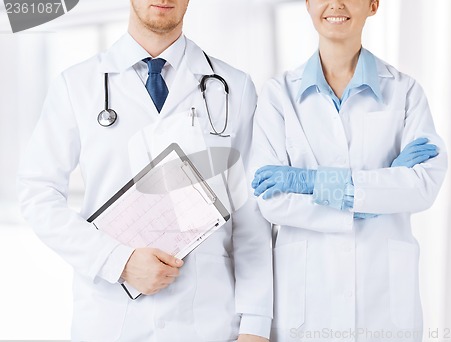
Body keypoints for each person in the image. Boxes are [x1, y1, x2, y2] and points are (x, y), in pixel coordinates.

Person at [17, 1, 272, 341]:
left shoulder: (234, 87)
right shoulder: (77, 85)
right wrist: (116, 261)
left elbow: (251, 215)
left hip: (207, 320)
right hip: (111, 319)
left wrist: (255, 326)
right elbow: (37, 194)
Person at [250, 0, 447, 341]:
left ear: (373, 5)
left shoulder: (405, 92)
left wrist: (312, 183)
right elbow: (272, 200)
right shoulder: (278, 95)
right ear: (309, 4)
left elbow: (423, 185)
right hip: (307, 306)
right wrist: (376, 193)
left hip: (383, 307)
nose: (336, 4)